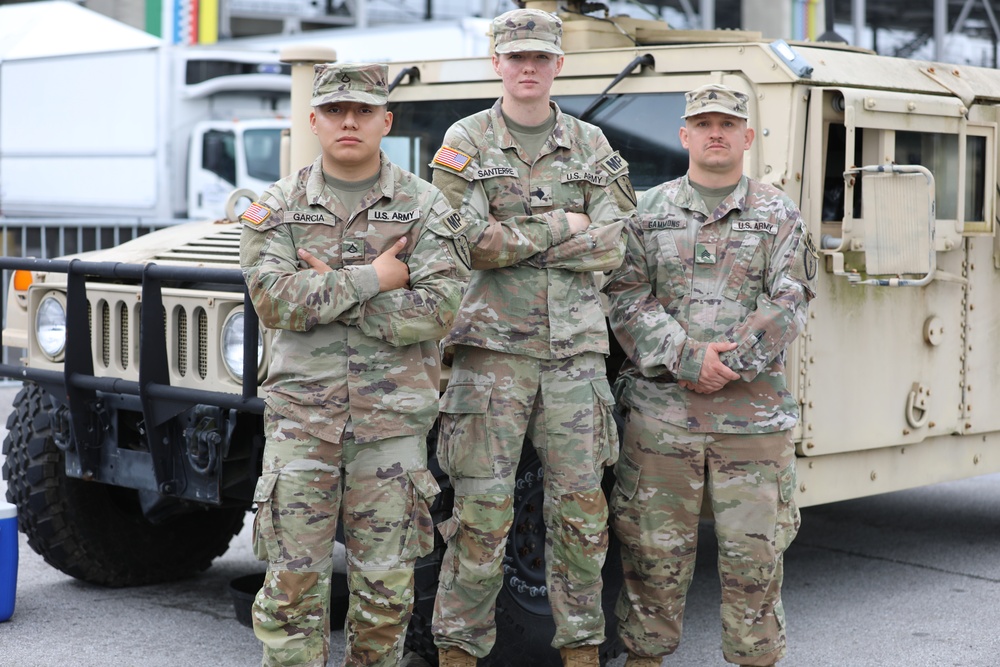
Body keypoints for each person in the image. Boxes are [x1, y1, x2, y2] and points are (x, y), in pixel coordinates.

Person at [240, 62, 470, 667]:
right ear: (313, 121)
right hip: (301, 425)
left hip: (390, 429)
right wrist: (375, 279)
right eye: (337, 111)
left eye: (364, 111)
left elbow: (439, 310)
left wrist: (336, 297)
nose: (350, 122)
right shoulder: (280, 206)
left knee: (386, 595)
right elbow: (273, 300)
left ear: (385, 122)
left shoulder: (424, 206)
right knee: (290, 591)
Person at [428, 8, 635, 667]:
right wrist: (560, 229)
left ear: (557, 66)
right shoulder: (465, 140)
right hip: (490, 360)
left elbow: (617, 240)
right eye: (515, 57)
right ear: (496, 63)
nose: (527, 68)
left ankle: (581, 653)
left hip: (575, 358)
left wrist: (516, 238)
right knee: (480, 516)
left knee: (580, 514)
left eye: (539, 58)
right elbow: (465, 241)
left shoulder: (591, 145)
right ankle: (459, 653)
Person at [602, 83, 818, 667]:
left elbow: (791, 297)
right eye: (702, 124)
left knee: (755, 561)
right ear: (685, 136)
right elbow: (623, 294)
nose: (714, 133)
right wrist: (685, 357)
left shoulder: (778, 213)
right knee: (650, 558)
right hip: (661, 420)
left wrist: (728, 364)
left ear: (748, 137)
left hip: (752, 423)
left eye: (727, 124)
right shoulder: (646, 213)